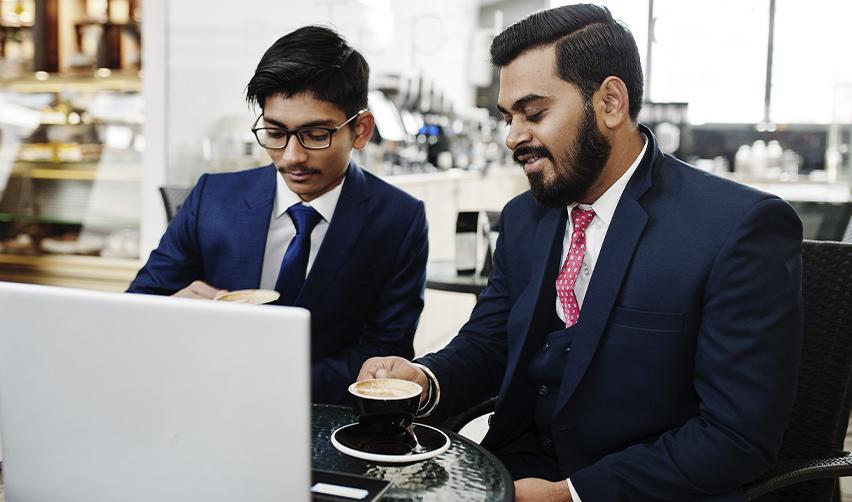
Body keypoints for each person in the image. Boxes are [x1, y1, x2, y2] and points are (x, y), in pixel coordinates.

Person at [358, 4, 802, 501]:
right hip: (512, 470)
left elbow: (736, 438)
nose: (512, 137)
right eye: (508, 117)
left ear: (611, 102)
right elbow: (490, 343)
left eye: (534, 113)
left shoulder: (736, 229)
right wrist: (424, 377)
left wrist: (569, 495)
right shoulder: (526, 217)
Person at [128, 26, 428, 405]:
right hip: (204, 401)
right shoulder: (212, 197)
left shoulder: (399, 219)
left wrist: (262, 379)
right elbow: (138, 306)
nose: (291, 157)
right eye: (274, 132)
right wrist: (172, 312)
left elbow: (386, 354)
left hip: (323, 417)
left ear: (361, 130)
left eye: (315, 135)